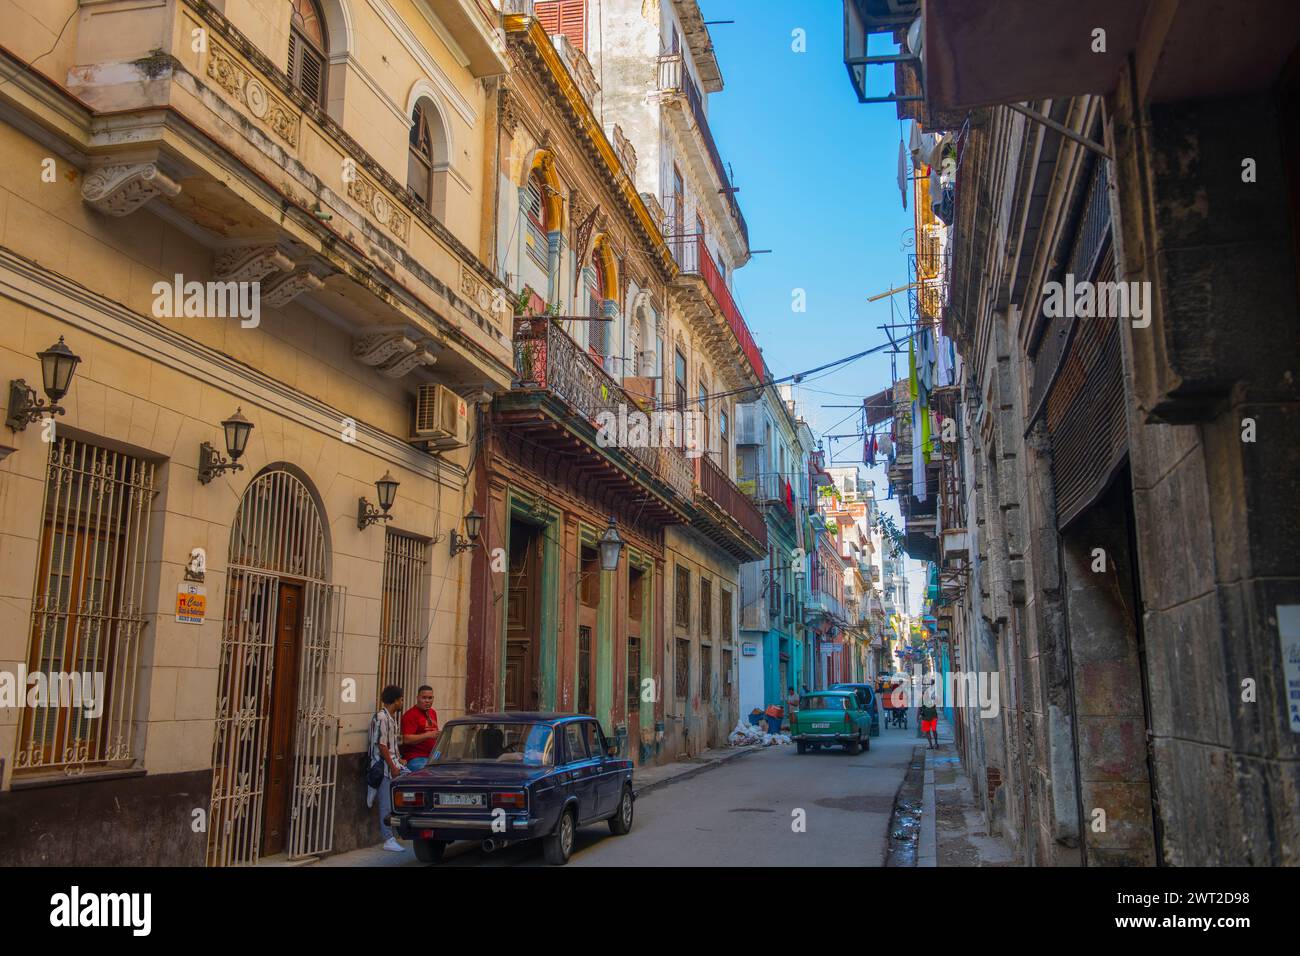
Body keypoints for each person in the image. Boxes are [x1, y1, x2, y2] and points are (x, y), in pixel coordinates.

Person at [369, 684, 408, 852]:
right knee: (385, 803)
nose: (402, 702)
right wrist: (393, 766)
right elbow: (382, 745)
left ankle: (399, 831)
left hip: (393, 763)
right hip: (383, 766)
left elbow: (391, 745)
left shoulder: (391, 719)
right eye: (401, 699)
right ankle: (388, 838)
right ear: (395, 700)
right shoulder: (381, 718)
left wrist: (399, 759)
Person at [400, 685, 439, 771]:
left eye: (430, 698)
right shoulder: (410, 715)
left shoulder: (433, 712)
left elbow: (434, 735)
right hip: (416, 758)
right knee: (429, 773)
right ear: (417, 698)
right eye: (424, 698)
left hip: (433, 757)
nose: (427, 701)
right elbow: (406, 739)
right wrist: (428, 735)